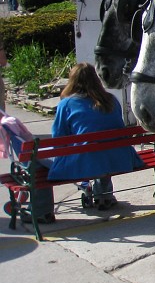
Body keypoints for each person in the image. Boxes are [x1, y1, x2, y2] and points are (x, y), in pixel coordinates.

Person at [31, 63, 143, 219]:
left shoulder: (66, 104)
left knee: (34, 157)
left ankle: (42, 212)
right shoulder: (110, 99)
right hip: (121, 159)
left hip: (87, 162)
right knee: (101, 148)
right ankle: (104, 196)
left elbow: (58, 140)